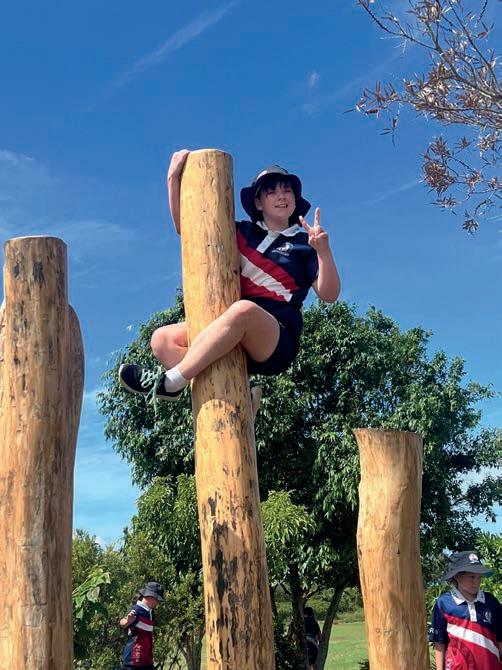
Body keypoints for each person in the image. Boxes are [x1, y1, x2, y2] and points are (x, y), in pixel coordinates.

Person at [119, 149, 341, 401]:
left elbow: (329, 294)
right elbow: (188, 229)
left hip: (276, 338)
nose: (281, 196)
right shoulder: (241, 232)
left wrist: (323, 250)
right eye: (271, 191)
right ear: (258, 202)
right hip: (231, 331)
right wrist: (173, 179)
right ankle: (239, 399)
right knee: (163, 339)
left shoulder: (304, 244)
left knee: (243, 310)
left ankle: (171, 383)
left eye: (287, 190)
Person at [429, 550, 502, 670]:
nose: (476, 582)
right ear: (457, 576)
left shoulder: (491, 602)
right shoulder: (444, 603)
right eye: (471, 577)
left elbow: (500, 640)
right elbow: (439, 643)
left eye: (479, 577)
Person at [119, 581, 164, 670]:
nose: (158, 602)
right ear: (150, 596)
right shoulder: (136, 609)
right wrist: (128, 621)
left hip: (146, 660)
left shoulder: (151, 613)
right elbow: (122, 622)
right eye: (157, 600)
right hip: (134, 660)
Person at [304, 605, 321, 669]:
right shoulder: (314, 622)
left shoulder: (301, 622)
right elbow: (320, 637)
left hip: (304, 646)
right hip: (314, 647)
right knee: (312, 666)